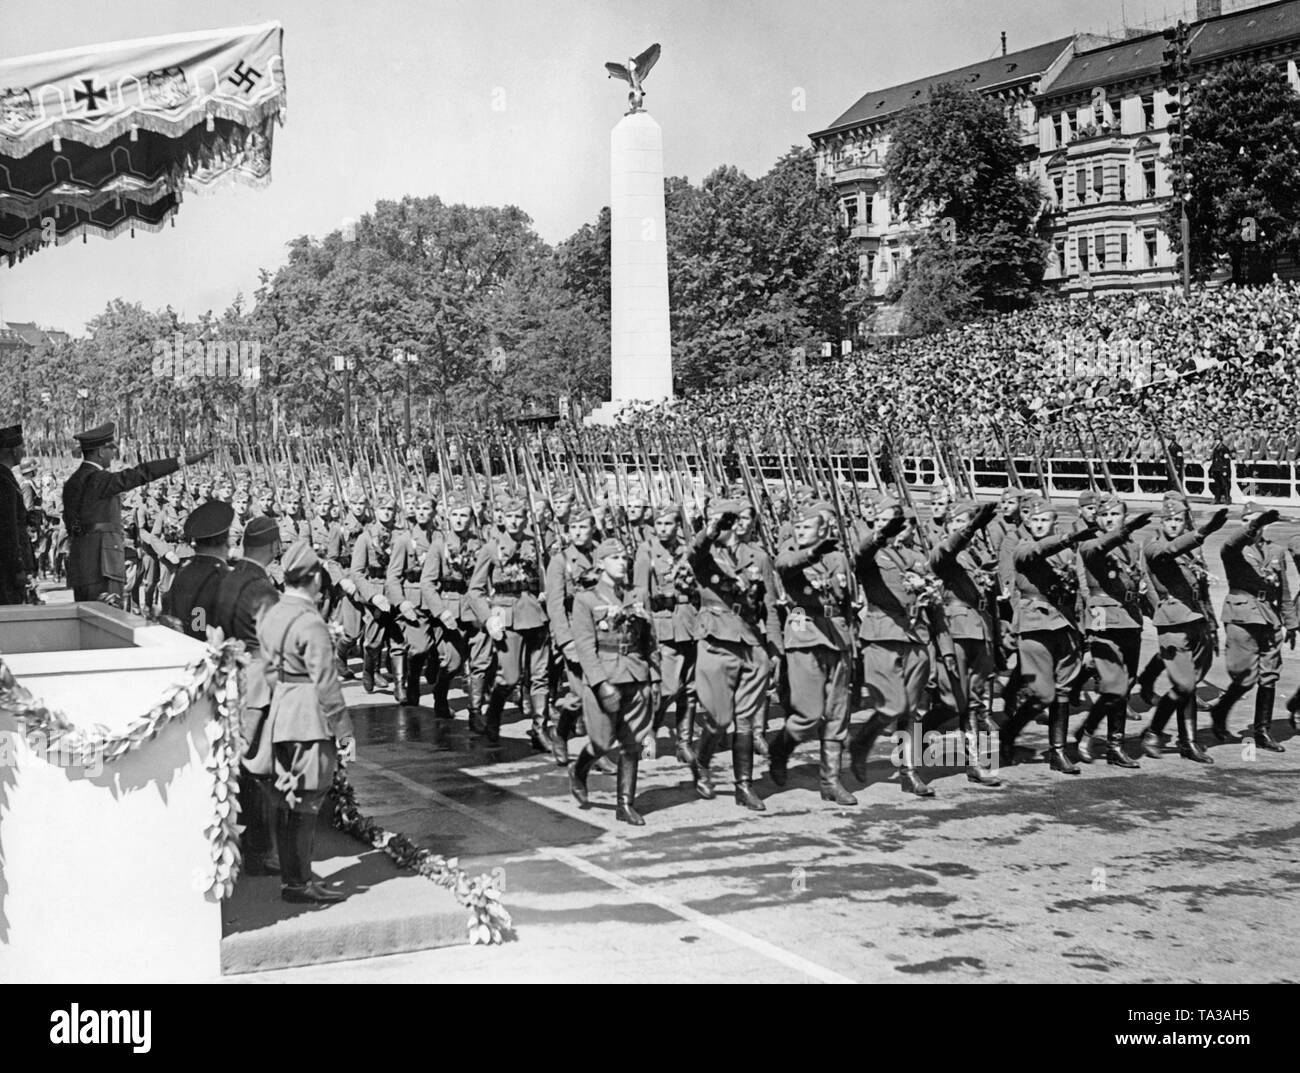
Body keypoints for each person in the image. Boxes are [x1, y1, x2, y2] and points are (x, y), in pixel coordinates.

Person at [252, 540, 355, 904]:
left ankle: (296, 879)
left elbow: (264, 667)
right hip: (309, 718)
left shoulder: (274, 613)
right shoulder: (310, 622)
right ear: (312, 578)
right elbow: (326, 682)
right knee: (308, 801)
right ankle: (298, 883)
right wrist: (344, 731)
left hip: (282, 711)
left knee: (286, 798)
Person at [686, 498, 773, 810]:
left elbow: (771, 604)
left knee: (746, 719)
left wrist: (773, 647)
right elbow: (694, 554)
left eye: (731, 519)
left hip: (749, 638)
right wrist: (708, 532)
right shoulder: (705, 553)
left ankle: (744, 786)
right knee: (720, 719)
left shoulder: (757, 556)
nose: (728, 525)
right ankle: (701, 761)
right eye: (722, 520)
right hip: (715, 639)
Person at [62, 423, 210, 603]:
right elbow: (140, 474)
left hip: (80, 560)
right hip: (103, 562)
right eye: (110, 448)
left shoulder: (72, 482)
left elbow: (71, 522)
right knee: (108, 618)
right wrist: (181, 461)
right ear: (100, 451)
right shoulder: (99, 479)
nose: (114, 452)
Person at [769, 503, 857, 804]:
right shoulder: (791, 552)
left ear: (822, 529)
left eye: (808, 527)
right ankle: (779, 751)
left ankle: (830, 781)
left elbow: (847, 601)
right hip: (805, 636)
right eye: (799, 527)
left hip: (836, 635)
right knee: (807, 713)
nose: (801, 532)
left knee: (837, 712)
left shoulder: (838, 556)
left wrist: (850, 641)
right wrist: (813, 553)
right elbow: (785, 568)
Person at [847, 502, 937, 795]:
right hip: (883, 633)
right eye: (883, 521)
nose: (889, 526)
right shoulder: (872, 553)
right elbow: (862, 553)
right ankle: (862, 741)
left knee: (912, 710)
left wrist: (926, 588)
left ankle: (908, 771)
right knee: (892, 704)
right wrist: (880, 535)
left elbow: (931, 588)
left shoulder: (916, 557)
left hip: (915, 636)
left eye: (895, 522)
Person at [566, 538, 658, 825]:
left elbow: (650, 639)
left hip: (636, 672)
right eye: (614, 557)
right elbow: (584, 646)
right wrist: (600, 683)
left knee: (634, 742)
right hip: (604, 676)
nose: (622, 562)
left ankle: (625, 804)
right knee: (602, 741)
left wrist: (654, 677)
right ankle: (579, 771)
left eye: (624, 557)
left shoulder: (638, 594)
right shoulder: (586, 599)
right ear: (601, 563)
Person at [998, 498, 1090, 774]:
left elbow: (1080, 590)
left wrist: (1086, 629)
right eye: (1034, 520)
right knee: (1042, 693)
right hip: (1034, 622)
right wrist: (1066, 539)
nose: (1038, 525)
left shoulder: (1069, 553)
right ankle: (1007, 733)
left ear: (1053, 522)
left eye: (1044, 521)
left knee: (1062, 689)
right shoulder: (1022, 546)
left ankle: (1057, 752)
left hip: (1065, 622)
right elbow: (1033, 553)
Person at [213, 515, 282, 875]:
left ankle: (247, 844)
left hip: (233, 675)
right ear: (274, 546)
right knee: (259, 766)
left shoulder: (230, 576)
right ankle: (260, 851)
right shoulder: (261, 588)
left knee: (240, 761)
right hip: (257, 681)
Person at [1139, 503, 1228, 763]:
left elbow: (1202, 590)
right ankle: (1153, 732)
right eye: (1169, 520)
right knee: (1184, 684)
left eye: (1179, 519)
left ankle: (1188, 742)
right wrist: (1204, 531)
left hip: (1196, 620)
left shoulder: (1193, 550)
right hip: (1172, 622)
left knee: (1189, 685)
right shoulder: (1154, 546)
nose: (1174, 524)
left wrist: (1211, 624)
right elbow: (1170, 551)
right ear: (1162, 522)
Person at [1072, 496, 1153, 767]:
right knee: (1114, 685)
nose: (1109, 519)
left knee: (1123, 685)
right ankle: (1115, 746)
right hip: (1104, 618)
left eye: (1116, 515)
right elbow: (1086, 586)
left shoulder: (1134, 547)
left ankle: (1086, 732)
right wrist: (1088, 631)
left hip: (1130, 618)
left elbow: (1142, 580)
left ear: (1123, 516)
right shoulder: (1091, 544)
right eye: (1104, 515)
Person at [928, 499, 1003, 784]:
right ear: (947, 527)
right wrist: (970, 528)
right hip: (955, 631)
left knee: (971, 701)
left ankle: (974, 764)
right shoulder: (942, 552)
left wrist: (996, 637)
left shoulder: (979, 554)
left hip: (979, 630)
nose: (962, 528)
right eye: (956, 524)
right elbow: (950, 548)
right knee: (952, 702)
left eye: (966, 522)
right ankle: (918, 736)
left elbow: (989, 599)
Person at [1208, 504, 1295, 751]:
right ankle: (1220, 710)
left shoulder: (1276, 550)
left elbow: (1284, 589)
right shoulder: (1233, 549)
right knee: (1244, 675)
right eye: (1245, 520)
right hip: (1242, 616)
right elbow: (1233, 542)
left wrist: (1291, 623)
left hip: (1270, 616)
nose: (1250, 524)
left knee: (1270, 673)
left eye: (1255, 520)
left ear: (1266, 524)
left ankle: (1262, 731)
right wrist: (1253, 525)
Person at [468, 496, 550, 746]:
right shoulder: (491, 548)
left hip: (536, 615)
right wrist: (487, 617)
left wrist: (544, 591)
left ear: (527, 519)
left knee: (540, 676)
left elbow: (544, 576)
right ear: (501, 518)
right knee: (510, 677)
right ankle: (493, 717)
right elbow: (475, 590)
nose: (515, 522)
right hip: (508, 619)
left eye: (520, 517)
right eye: (509, 516)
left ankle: (540, 729)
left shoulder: (534, 545)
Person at [633, 502, 698, 765]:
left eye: (668, 523)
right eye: (658, 523)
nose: (662, 529)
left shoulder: (687, 551)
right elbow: (640, 595)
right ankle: (648, 736)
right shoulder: (646, 551)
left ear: (677, 525)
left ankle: (684, 742)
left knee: (690, 689)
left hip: (690, 624)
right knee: (667, 688)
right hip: (663, 626)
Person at [419, 494, 484, 723]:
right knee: (454, 662)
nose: (459, 520)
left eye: (464, 515)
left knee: (479, 661)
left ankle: (476, 712)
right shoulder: (440, 545)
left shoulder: (480, 545)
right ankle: (440, 693)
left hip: (475, 608)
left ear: (471, 518)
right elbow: (426, 582)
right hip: (450, 609)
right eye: (455, 515)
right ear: (448, 518)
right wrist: (440, 611)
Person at [386, 494, 437, 706]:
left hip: (439, 597)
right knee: (420, 649)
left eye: (427, 508)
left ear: (435, 512)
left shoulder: (441, 538)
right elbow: (393, 575)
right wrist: (401, 602)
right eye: (419, 509)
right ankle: (412, 679)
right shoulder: (405, 540)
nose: (423, 513)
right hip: (415, 599)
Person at [0, 424, 34, 605]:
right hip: (6, 568)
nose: (23, 451)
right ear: (13, 450)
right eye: (21, 447)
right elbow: (8, 528)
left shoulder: (7, 477)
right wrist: (18, 567)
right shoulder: (4, 481)